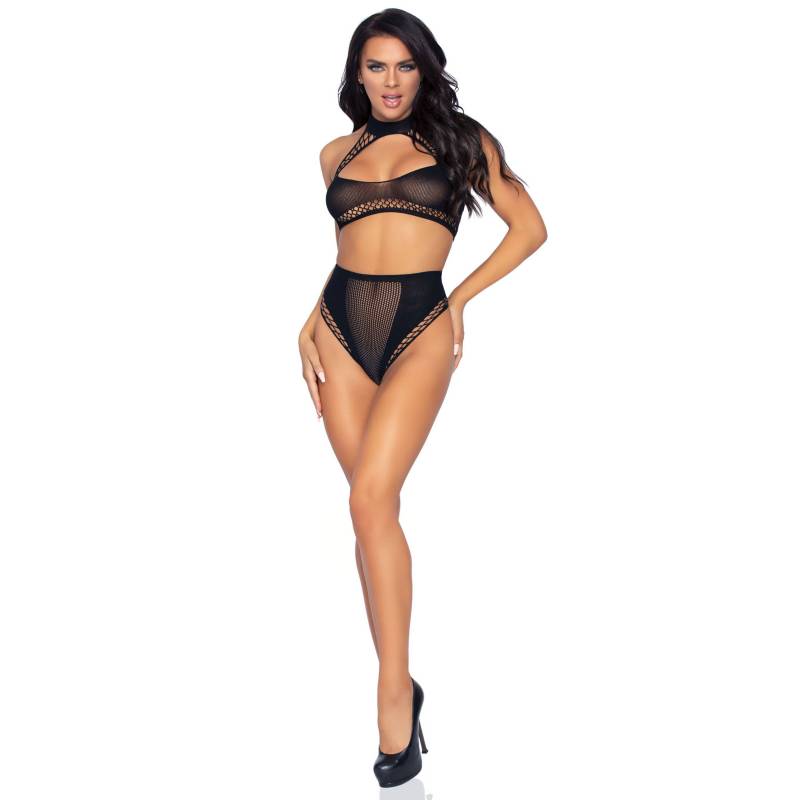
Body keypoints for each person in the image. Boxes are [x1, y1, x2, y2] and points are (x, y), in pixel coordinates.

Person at [296, 8, 547, 788]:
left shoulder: (461, 142)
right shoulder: (336, 153)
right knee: (370, 510)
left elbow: (530, 227)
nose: (391, 81)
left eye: (405, 66)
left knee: (369, 499)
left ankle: (391, 700)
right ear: (358, 73)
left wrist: (460, 298)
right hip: (339, 328)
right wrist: (309, 317)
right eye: (376, 66)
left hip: (420, 325)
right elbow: (349, 248)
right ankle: (401, 681)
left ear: (424, 71)